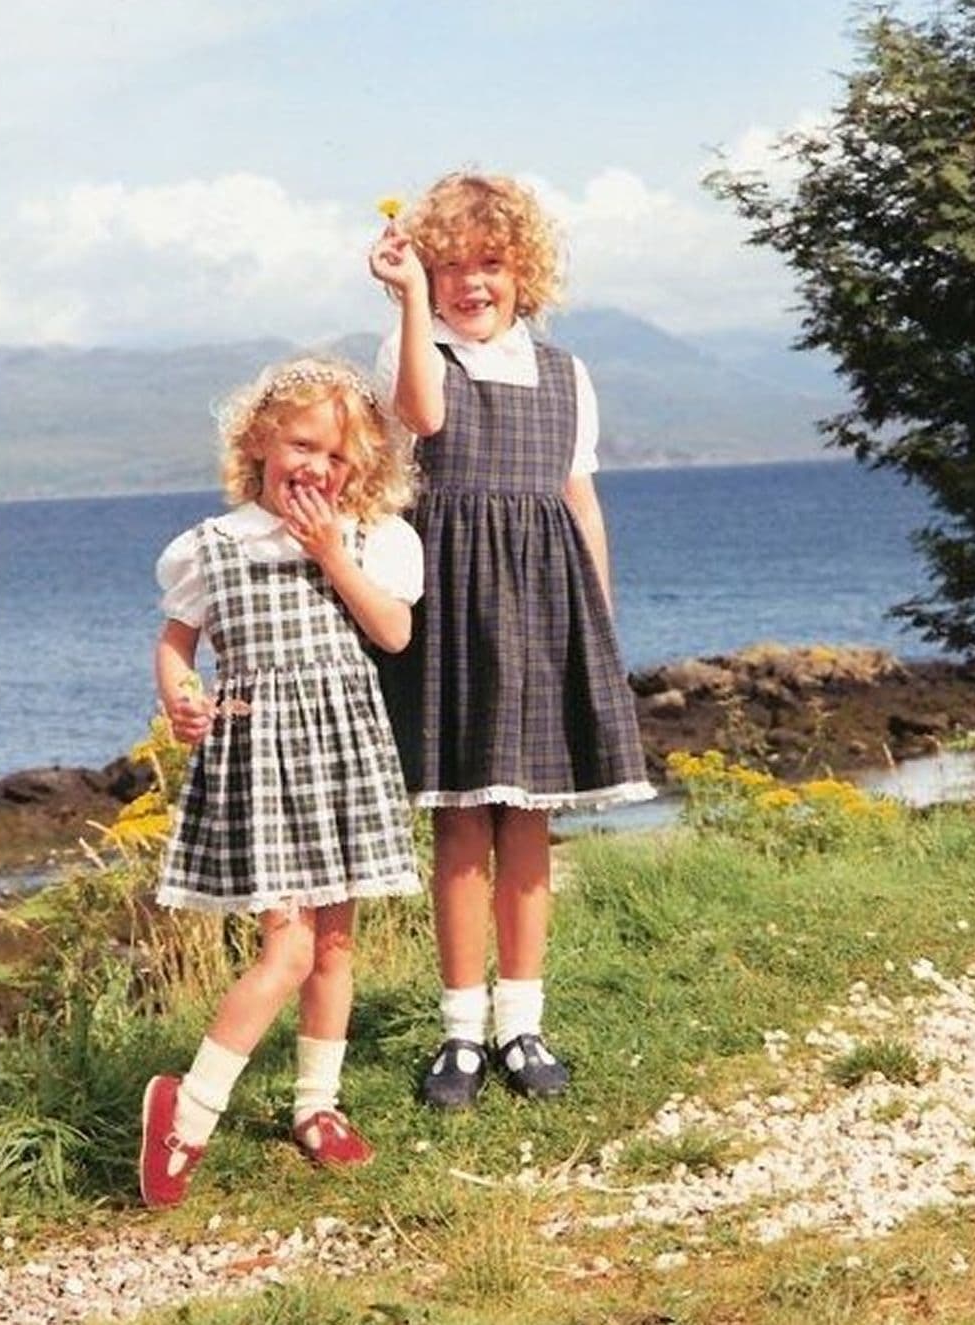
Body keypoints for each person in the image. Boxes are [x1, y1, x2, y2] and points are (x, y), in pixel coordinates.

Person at [368, 172, 653, 1110]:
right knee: (457, 818)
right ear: (427, 275)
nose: (471, 284)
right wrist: (410, 303)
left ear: (521, 269)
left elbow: (580, 498)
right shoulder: (414, 350)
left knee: (528, 817)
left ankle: (521, 1022)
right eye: (449, 267)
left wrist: (598, 628)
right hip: (446, 607)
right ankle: (459, 1031)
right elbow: (424, 417)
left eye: (489, 264)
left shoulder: (567, 373)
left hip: (541, 607)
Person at [139, 356, 424, 1209]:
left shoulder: (374, 537)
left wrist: (334, 552)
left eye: (338, 457)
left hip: (344, 752)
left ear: (360, 466)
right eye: (303, 444)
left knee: (335, 944)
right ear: (261, 437)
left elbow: (394, 632)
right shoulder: (211, 546)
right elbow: (175, 644)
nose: (316, 467)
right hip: (263, 754)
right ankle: (186, 1111)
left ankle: (316, 1106)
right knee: (290, 945)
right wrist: (183, 701)